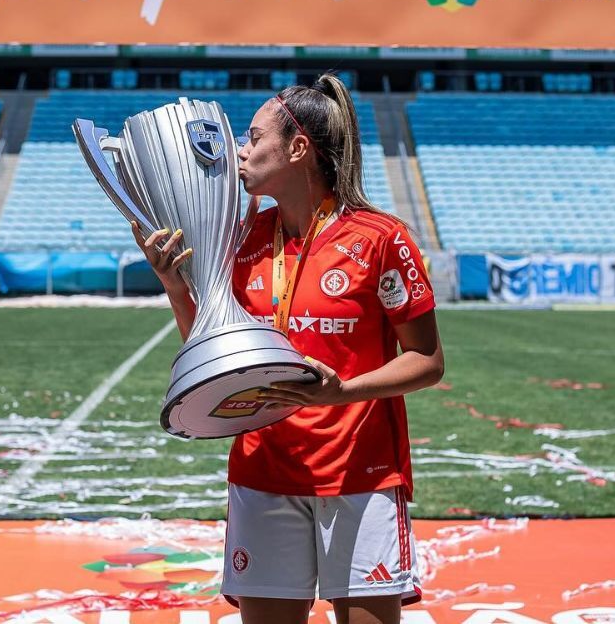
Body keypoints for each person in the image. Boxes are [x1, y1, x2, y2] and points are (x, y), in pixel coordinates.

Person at [131, 73, 444, 624]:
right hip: (263, 470)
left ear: (298, 148)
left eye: (253, 137)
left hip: (359, 474)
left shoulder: (380, 238)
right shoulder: (241, 237)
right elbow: (211, 352)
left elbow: (427, 361)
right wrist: (177, 286)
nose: (239, 151)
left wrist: (342, 392)